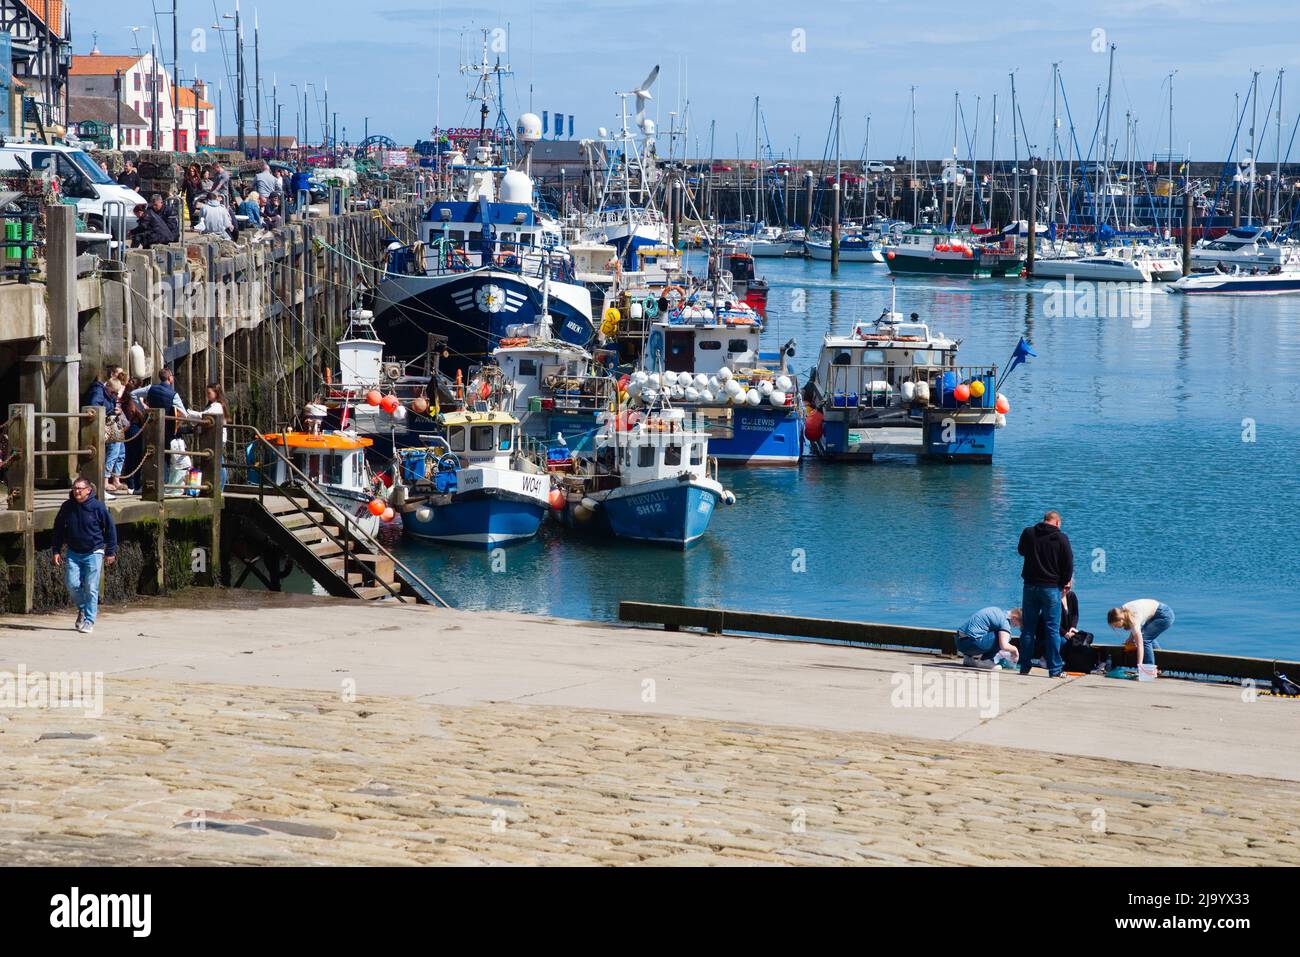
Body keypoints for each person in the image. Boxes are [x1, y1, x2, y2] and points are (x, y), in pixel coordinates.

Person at [52, 477, 117, 636]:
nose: (77, 491)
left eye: (80, 488)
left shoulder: (98, 507)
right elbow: (58, 529)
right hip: (74, 551)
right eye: (75, 488)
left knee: (91, 587)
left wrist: (110, 551)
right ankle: (82, 608)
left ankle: (89, 620)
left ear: (89, 490)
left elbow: (110, 529)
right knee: (71, 583)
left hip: (94, 551)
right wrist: (56, 550)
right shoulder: (67, 507)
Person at [1017, 510, 1074, 678]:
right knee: (1052, 629)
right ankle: (1054, 669)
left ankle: (1024, 666)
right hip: (1051, 588)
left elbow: (1021, 551)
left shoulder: (1029, 533)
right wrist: (1062, 583)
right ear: (1057, 523)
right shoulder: (1061, 538)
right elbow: (1068, 564)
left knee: (1028, 629)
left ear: (1044, 520)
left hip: (1030, 586)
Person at [1108, 600, 1175, 670]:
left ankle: (1149, 669)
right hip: (1158, 613)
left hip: (1164, 615)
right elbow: (1135, 628)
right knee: (1148, 636)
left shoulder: (1134, 619)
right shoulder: (1122, 611)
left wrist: (1139, 665)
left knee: (1145, 639)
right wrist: (1130, 638)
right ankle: (1160, 665)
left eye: (1116, 625)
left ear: (1121, 620)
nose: (1116, 627)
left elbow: (1140, 644)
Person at [956, 606, 1022, 669]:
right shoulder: (1005, 621)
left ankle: (968, 658)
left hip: (959, 642)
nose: (1014, 627)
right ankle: (985, 660)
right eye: (1016, 624)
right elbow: (1004, 646)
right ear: (1014, 618)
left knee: (986, 631)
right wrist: (1015, 650)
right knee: (1006, 636)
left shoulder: (997, 611)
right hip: (972, 644)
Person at [102, 379, 129, 496]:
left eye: (117, 393)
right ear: (108, 387)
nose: (116, 395)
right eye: (114, 392)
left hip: (117, 427)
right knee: (113, 453)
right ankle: (105, 480)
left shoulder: (113, 397)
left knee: (121, 454)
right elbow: (98, 407)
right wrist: (111, 411)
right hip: (110, 427)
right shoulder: (102, 395)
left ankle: (116, 479)